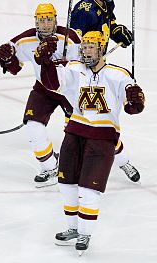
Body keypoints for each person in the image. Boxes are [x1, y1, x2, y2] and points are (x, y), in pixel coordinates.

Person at [38, 31, 145, 254]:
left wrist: (135, 101)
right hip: (74, 132)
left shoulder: (118, 74)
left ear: (101, 48)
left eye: (91, 47)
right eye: (84, 46)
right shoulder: (73, 69)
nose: (85, 51)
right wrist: (46, 62)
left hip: (103, 138)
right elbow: (52, 84)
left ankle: (85, 232)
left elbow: (131, 104)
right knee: (66, 183)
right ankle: (73, 228)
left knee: (89, 188)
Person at [0, 3, 81, 188]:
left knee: (75, 132)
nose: (45, 24)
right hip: (44, 88)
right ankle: (50, 166)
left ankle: (80, 162)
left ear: (55, 19)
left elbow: (85, 67)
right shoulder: (25, 40)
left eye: (48, 19)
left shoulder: (70, 37)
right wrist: (7, 58)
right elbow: (14, 67)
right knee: (33, 126)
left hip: (70, 90)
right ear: (36, 21)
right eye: (41, 20)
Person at [70, 0, 140, 182]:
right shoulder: (84, 10)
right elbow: (72, 43)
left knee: (102, 123)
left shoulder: (106, 3)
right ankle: (71, 165)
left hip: (98, 70)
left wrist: (117, 32)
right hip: (82, 73)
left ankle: (122, 160)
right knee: (77, 123)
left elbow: (108, 25)